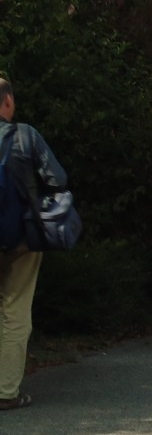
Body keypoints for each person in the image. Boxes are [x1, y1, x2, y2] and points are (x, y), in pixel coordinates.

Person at [0, 76, 70, 411]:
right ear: (8, 102)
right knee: (14, 309)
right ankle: (6, 392)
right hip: (21, 239)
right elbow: (58, 179)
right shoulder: (25, 136)